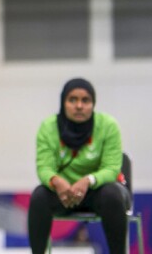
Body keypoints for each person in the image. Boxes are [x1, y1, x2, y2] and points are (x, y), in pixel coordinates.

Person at [28, 78, 129, 254]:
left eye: (85, 100)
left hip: (98, 193)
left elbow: (112, 168)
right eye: (72, 99)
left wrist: (88, 180)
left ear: (93, 104)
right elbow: (44, 167)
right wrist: (56, 181)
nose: (79, 106)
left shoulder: (108, 125)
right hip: (64, 194)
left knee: (112, 194)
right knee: (39, 196)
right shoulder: (48, 127)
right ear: (63, 102)